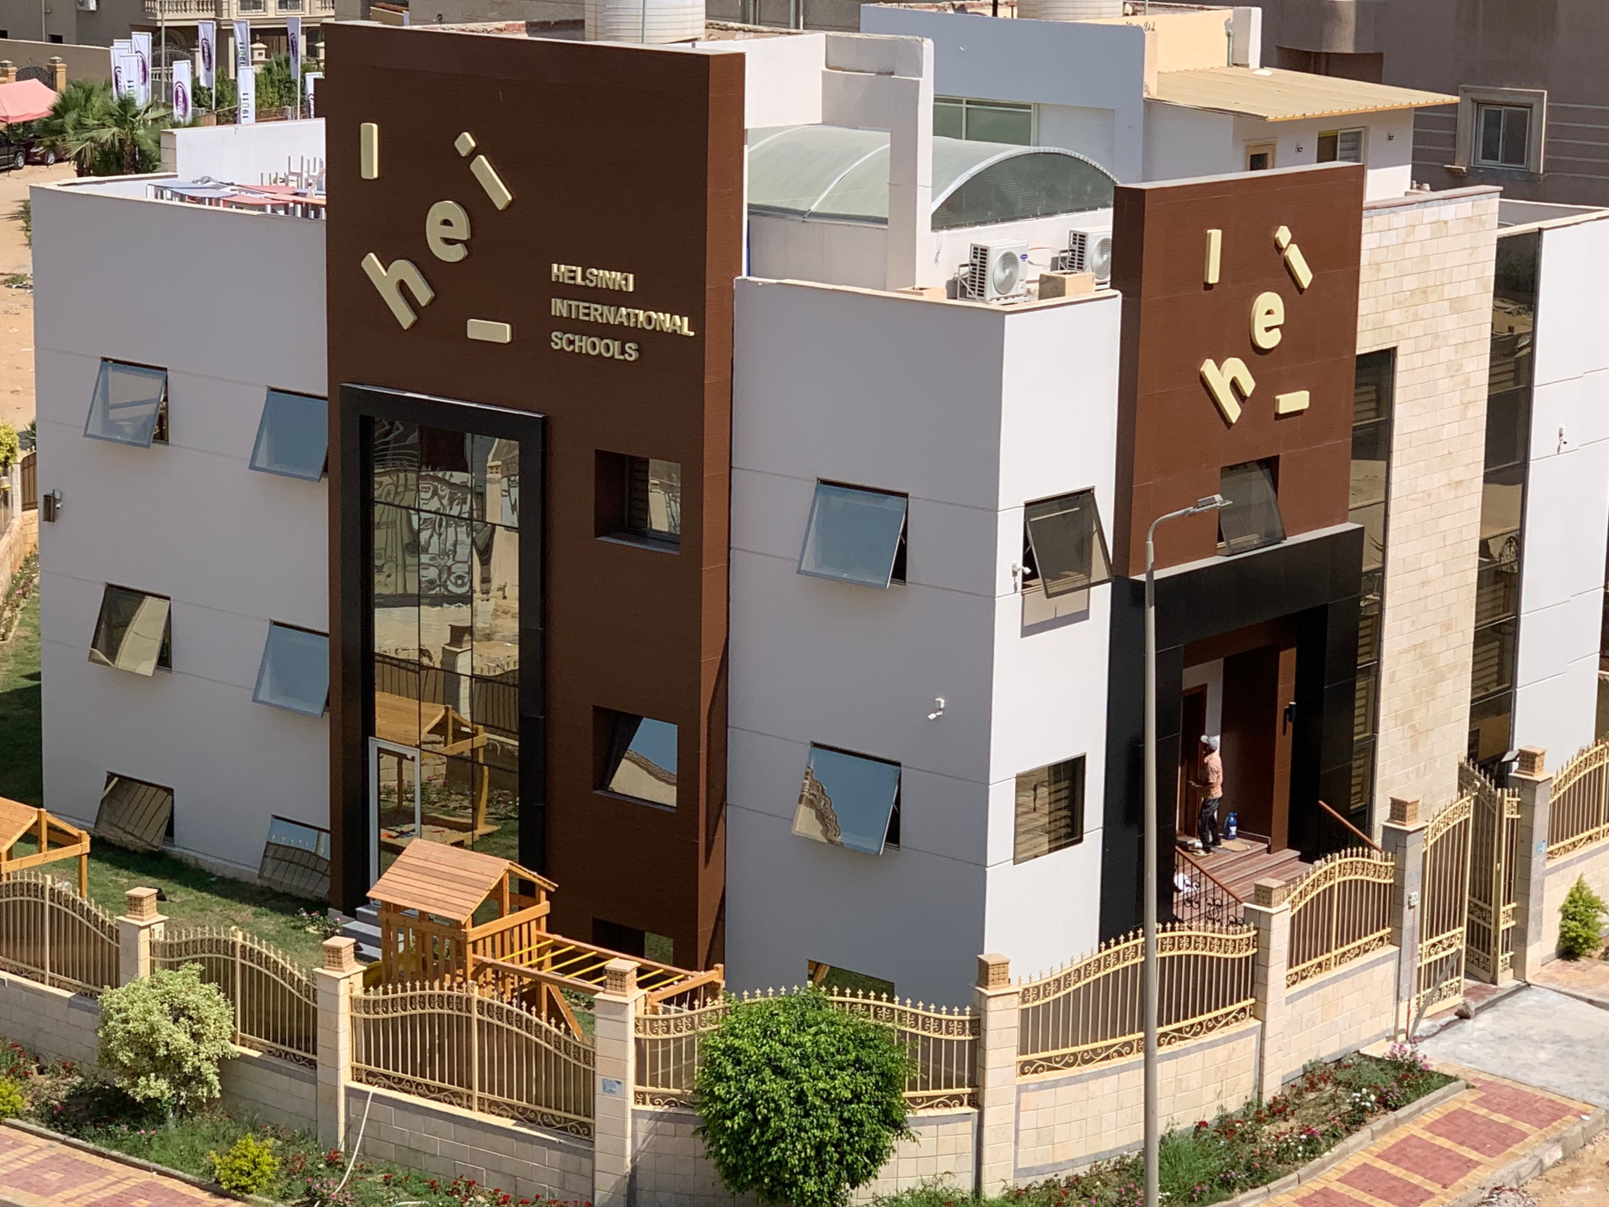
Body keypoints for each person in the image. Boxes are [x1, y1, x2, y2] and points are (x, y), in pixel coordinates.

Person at [1198, 735, 1224, 851]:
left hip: (1211, 796)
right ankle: (1216, 840)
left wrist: (1198, 786)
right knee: (1210, 818)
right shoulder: (1214, 757)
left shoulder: (1211, 764)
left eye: (1205, 745)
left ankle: (1206, 846)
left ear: (1208, 748)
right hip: (1216, 795)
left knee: (1202, 821)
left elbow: (1211, 783)